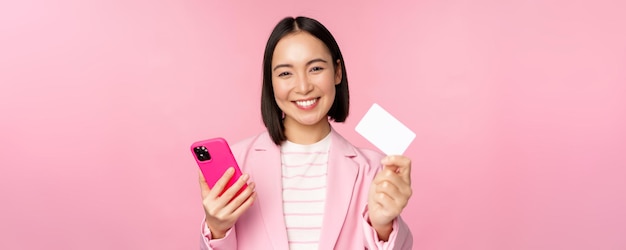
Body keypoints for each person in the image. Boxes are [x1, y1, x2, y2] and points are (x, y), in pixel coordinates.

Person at [199, 16, 414, 249]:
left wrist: (383, 227)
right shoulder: (236, 164)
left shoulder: (373, 169)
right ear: (270, 83)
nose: (303, 87)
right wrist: (217, 228)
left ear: (337, 72)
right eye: (285, 73)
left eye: (316, 68)